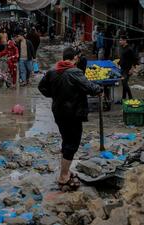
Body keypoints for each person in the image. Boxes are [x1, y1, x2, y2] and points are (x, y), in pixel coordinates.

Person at [38, 47, 102, 191]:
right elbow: (90, 87)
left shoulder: (52, 72)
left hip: (58, 113)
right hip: (72, 114)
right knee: (72, 143)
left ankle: (65, 171)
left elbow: (41, 87)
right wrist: (99, 89)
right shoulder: (75, 72)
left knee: (66, 141)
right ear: (74, 58)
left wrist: (55, 95)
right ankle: (63, 176)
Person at [119, 36, 137, 101]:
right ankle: (123, 98)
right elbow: (123, 58)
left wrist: (132, 69)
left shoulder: (129, 49)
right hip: (122, 68)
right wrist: (118, 63)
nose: (119, 42)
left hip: (127, 69)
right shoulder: (122, 48)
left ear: (125, 41)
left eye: (121, 40)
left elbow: (135, 59)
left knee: (124, 83)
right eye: (119, 40)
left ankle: (130, 97)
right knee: (124, 83)